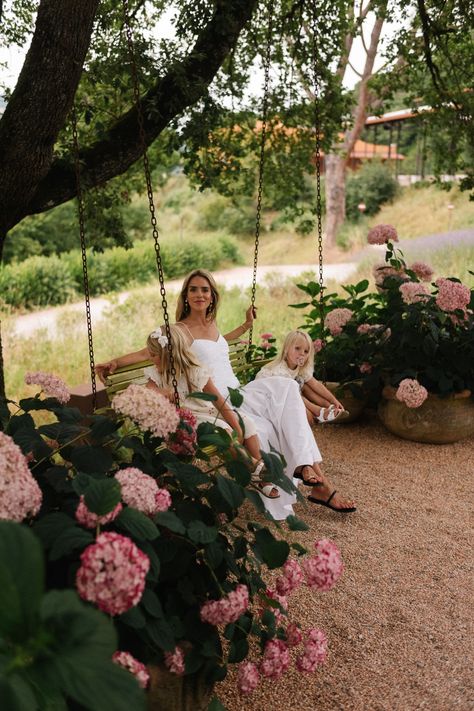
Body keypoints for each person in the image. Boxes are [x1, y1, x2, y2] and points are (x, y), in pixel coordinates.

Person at [96, 269, 356, 518]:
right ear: (185, 295)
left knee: (287, 387)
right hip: (216, 398)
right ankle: (319, 483)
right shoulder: (177, 330)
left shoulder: (212, 324)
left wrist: (246, 325)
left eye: (205, 290)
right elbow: (147, 353)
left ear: (212, 295)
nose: (200, 294)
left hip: (239, 391)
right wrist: (116, 363)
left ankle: (311, 472)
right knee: (276, 411)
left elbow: (222, 343)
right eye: (194, 290)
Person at [144, 324, 280, 499]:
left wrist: (237, 426)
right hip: (187, 419)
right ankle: (252, 465)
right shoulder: (156, 374)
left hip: (205, 410)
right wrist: (162, 392)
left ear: (169, 355)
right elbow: (147, 391)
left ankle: (258, 474)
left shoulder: (196, 371)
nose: (150, 358)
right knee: (223, 431)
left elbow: (218, 401)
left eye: (153, 354)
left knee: (247, 423)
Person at [255, 329, 348, 426]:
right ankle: (319, 412)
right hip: (267, 397)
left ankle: (329, 408)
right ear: (286, 349)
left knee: (305, 385)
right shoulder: (280, 371)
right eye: (297, 348)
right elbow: (292, 395)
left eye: (306, 351)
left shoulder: (299, 366)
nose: (302, 353)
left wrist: (334, 400)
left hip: (286, 394)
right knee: (309, 418)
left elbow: (315, 384)